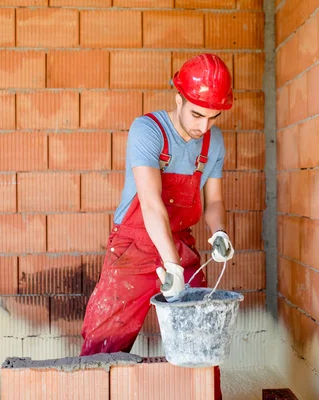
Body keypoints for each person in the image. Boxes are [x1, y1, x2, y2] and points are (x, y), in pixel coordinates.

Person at [79, 53, 236, 399]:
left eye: (213, 117)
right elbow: (151, 205)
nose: (203, 127)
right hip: (135, 246)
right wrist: (171, 265)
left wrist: (219, 232)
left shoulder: (214, 142)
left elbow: (213, 202)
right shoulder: (148, 130)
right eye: (196, 114)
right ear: (178, 99)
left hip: (179, 242)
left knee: (200, 336)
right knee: (106, 341)